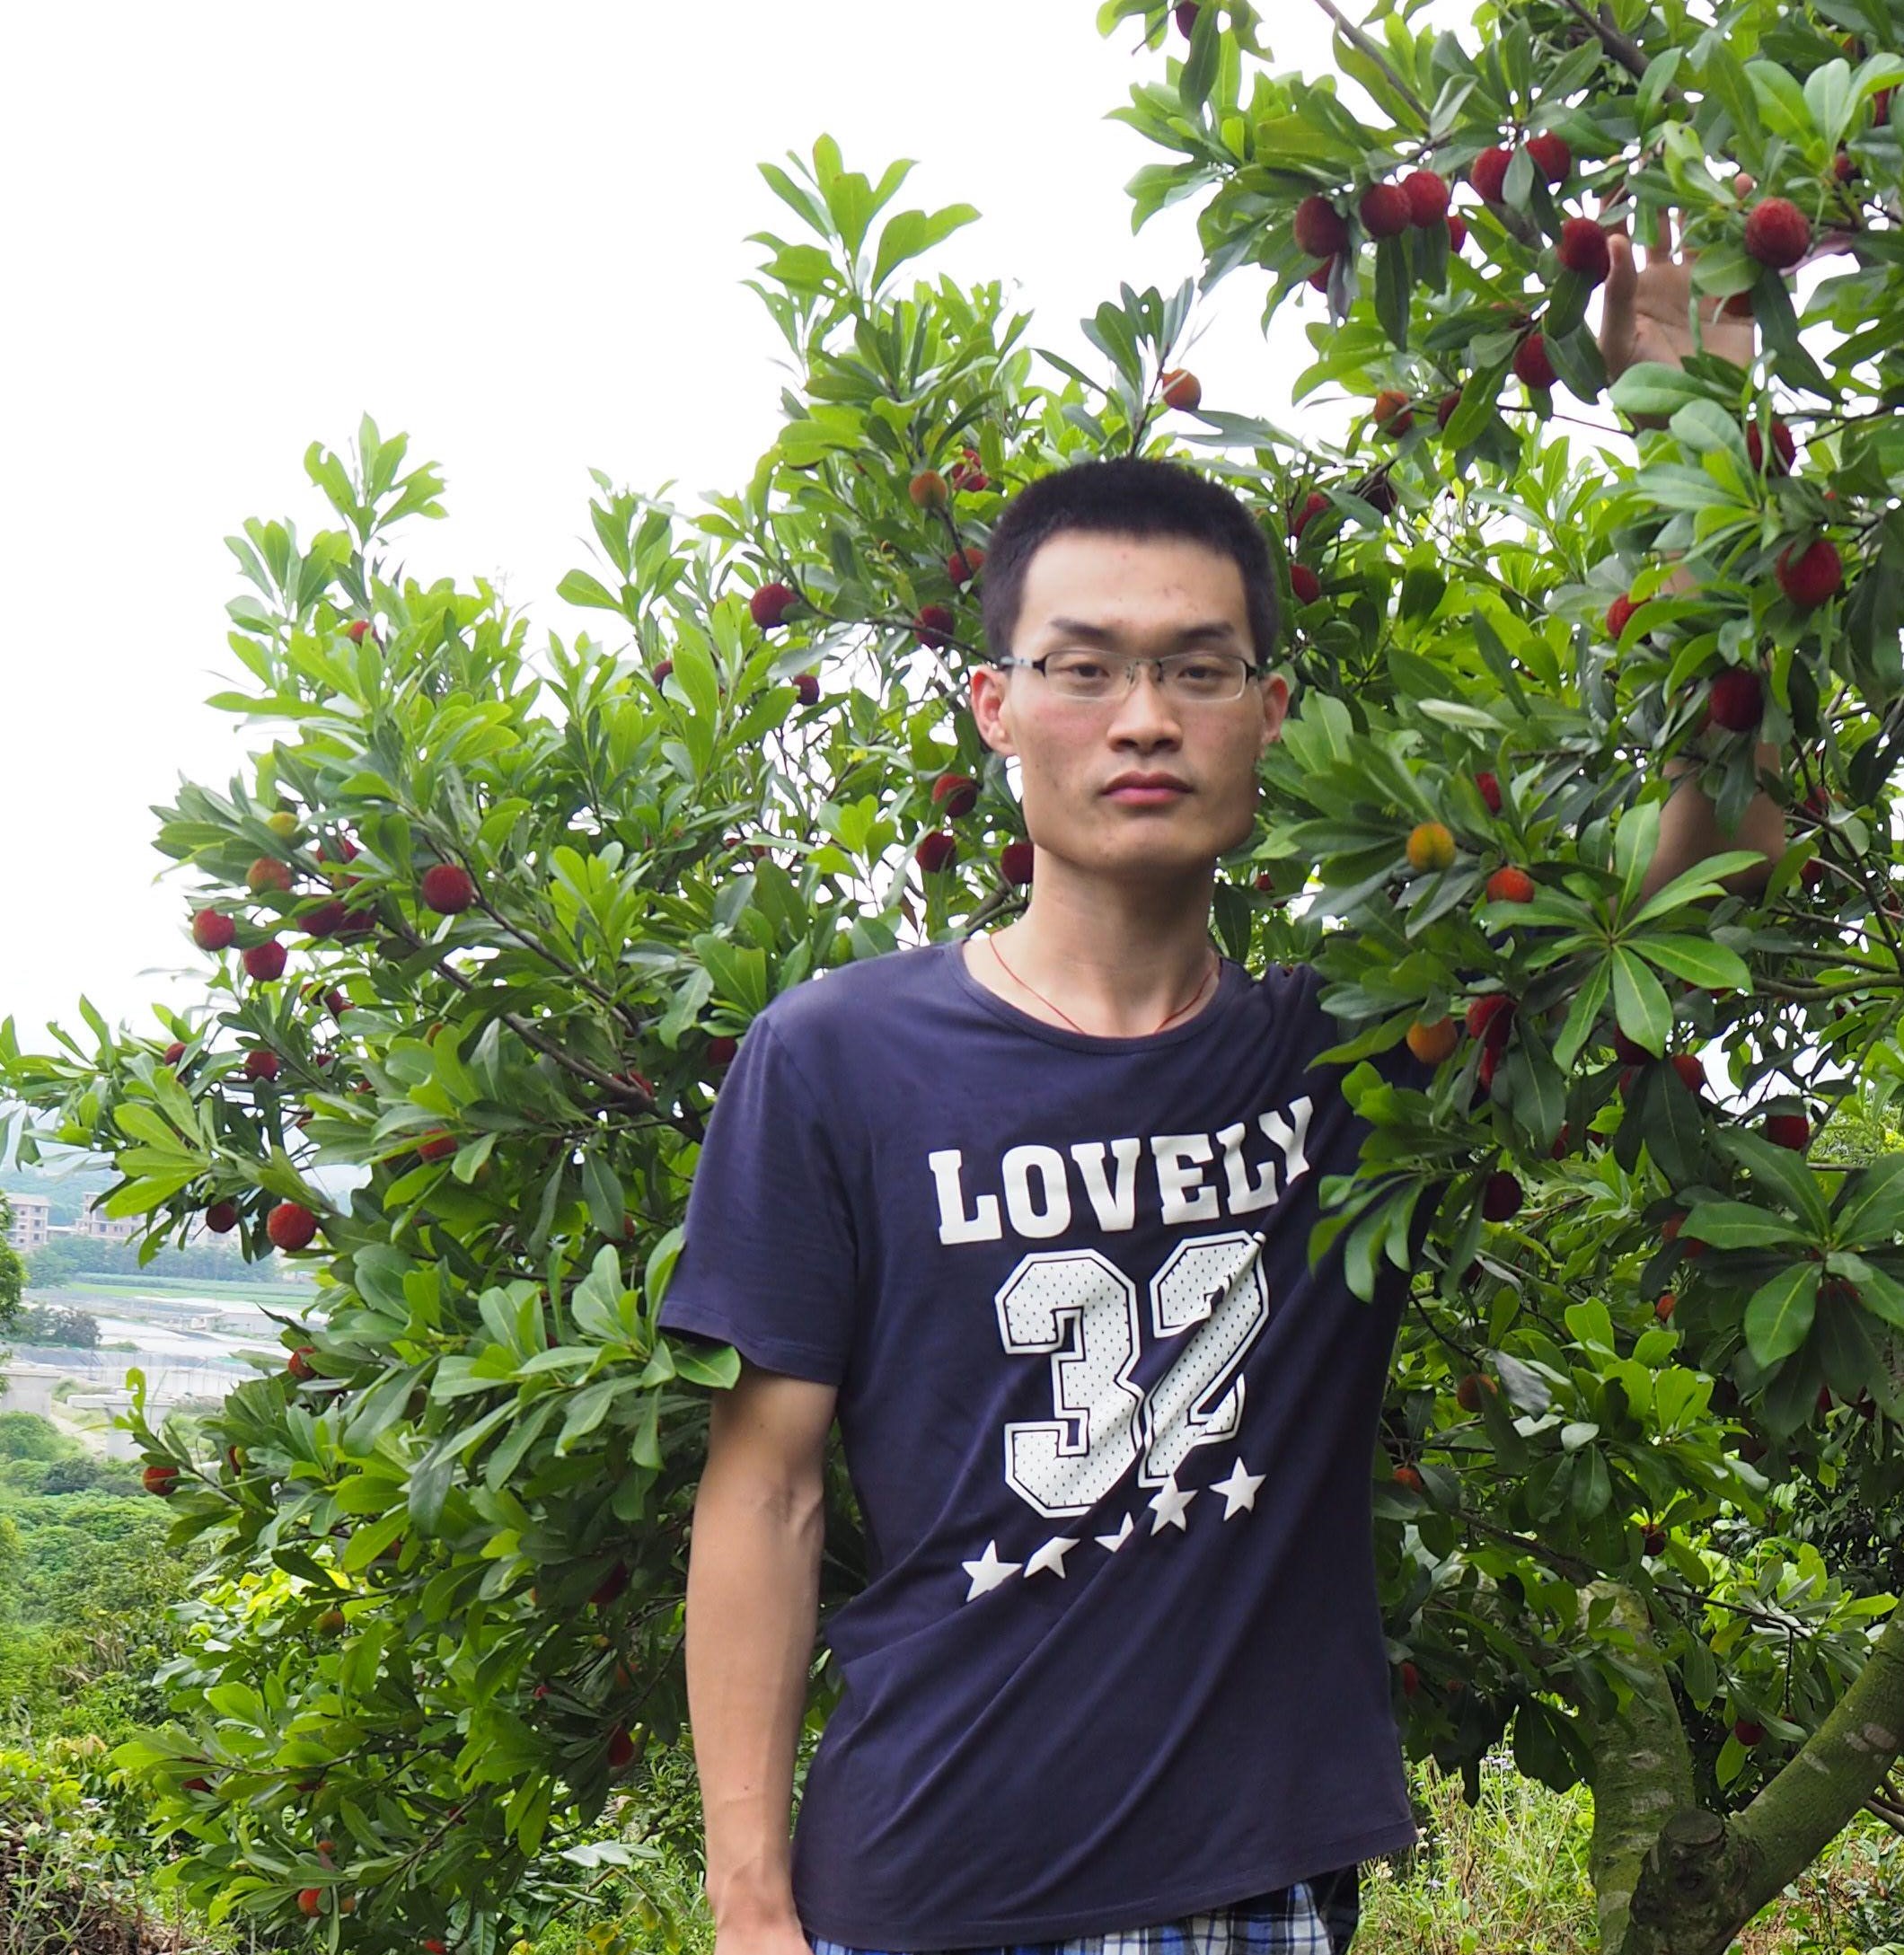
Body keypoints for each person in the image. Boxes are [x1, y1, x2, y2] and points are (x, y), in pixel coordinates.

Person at [661, 232, 1786, 1947]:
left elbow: (1718, 878)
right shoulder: (834, 1057)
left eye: (1198, 669)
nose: (1143, 718)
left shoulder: (1360, 1050)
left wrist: (1721, 444)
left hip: (1256, 1896)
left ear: (1268, 711)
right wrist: (748, 1901)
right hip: (924, 1886)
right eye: (1085, 666)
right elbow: (766, 1490)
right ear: (995, 706)